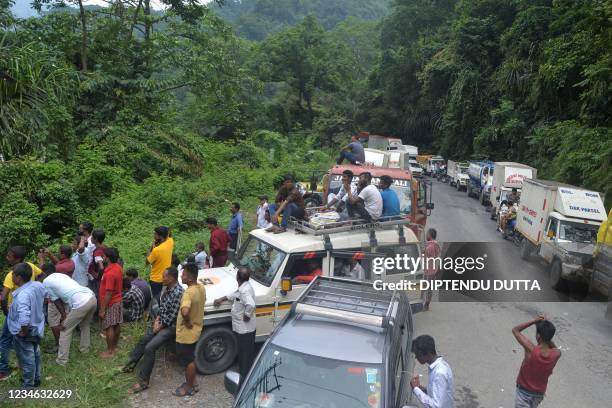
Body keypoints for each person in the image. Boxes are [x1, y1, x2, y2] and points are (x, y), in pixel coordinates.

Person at [123, 267, 184, 393]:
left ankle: (143, 381)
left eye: (164, 276)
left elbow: (172, 316)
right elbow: (162, 308)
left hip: (171, 326)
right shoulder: (166, 288)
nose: (162, 279)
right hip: (161, 323)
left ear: (172, 278)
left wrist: (159, 326)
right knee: (143, 340)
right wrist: (157, 320)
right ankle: (130, 365)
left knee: (150, 348)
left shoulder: (178, 292)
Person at [0, 246, 43, 381]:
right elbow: (42, 276)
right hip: (33, 312)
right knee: (33, 347)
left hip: (16, 313)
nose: (7, 257)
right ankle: (31, 373)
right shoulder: (30, 266)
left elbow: (2, 298)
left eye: (9, 256)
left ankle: (4, 370)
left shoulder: (10, 275)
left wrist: (6, 313)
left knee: (6, 340)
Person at [42, 270, 96, 366]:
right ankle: (84, 349)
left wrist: (64, 317)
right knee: (85, 325)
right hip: (91, 297)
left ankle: (62, 360)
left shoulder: (46, 282)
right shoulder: (60, 275)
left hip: (81, 303)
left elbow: (56, 301)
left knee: (64, 330)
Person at [213, 267, 256, 388]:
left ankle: (244, 380)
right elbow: (235, 295)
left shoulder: (245, 291)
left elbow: (250, 304)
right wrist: (222, 298)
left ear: (237, 277)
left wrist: (247, 315)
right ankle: (245, 374)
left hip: (245, 329)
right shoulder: (244, 287)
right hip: (244, 328)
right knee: (245, 352)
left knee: (245, 354)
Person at [8, 263, 47, 388]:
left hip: (27, 330)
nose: (11, 276)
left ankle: (28, 386)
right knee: (35, 353)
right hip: (37, 326)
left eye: (13, 274)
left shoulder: (22, 295)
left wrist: (24, 330)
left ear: (18, 277)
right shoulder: (38, 285)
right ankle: (36, 379)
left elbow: (24, 318)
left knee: (27, 358)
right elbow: (47, 296)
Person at [512, 316, 561, 408]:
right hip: (539, 395)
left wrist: (534, 322)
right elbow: (554, 347)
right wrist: (547, 335)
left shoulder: (530, 349)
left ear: (538, 336)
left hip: (523, 393)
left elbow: (515, 330)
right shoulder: (557, 354)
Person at [174, 262, 206, 397]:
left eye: (184, 274)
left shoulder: (188, 293)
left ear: (190, 278)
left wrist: (186, 321)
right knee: (190, 358)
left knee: (188, 362)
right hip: (196, 330)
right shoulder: (200, 288)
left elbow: (185, 311)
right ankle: (194, 382)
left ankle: (189, 387)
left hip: (187, 334)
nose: (181, 276)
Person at [410, 335, 454, 408]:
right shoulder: (439, 366)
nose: (416, 357)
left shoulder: (439, 373)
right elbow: (437, 392)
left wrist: (416, 389)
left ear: (428, 354)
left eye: (418, 355)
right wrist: (421, 389)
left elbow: (436, 406)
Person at [99, 247, 123, 358]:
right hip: (118, 300)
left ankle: (109, 351)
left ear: (107, 258)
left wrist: (103, 309)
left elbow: (108, 292)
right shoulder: (117, 267)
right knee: (116, 324)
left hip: (111, 302)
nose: (102, 257)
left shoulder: (110, 274)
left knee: (109, 326)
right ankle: (115, 346)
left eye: (104, 256)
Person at [146, 226, 174, 302]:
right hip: (167, 276)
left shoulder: (156, 250)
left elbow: (147, 261)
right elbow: (170, 234)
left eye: (155, 234)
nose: (153, 236)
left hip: (156, 279)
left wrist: (150, 248)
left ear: (160, 236)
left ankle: (157, 312)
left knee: (156, 300)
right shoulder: (170, 242)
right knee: (165, 297)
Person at [423, 228, 442, 311]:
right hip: (434, 269)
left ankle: (426, 304)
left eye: (427, 233)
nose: (426, 235)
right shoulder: (436, 245)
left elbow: (427, 255)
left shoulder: (430, 246)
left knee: (427, 287)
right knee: (429, 287)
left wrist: (424, 251)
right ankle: (427, 302)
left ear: (430, 235)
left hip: (429, 270)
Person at [88, 229, 107, 307]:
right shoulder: (104, 247)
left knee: (97, 295)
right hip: (104, 276)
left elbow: (101, 267)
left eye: (92, 237)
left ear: (95, 239)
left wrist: (98, 276)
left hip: (97, 279)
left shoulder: (97, 252)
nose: (91, 238)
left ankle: (98, 313)